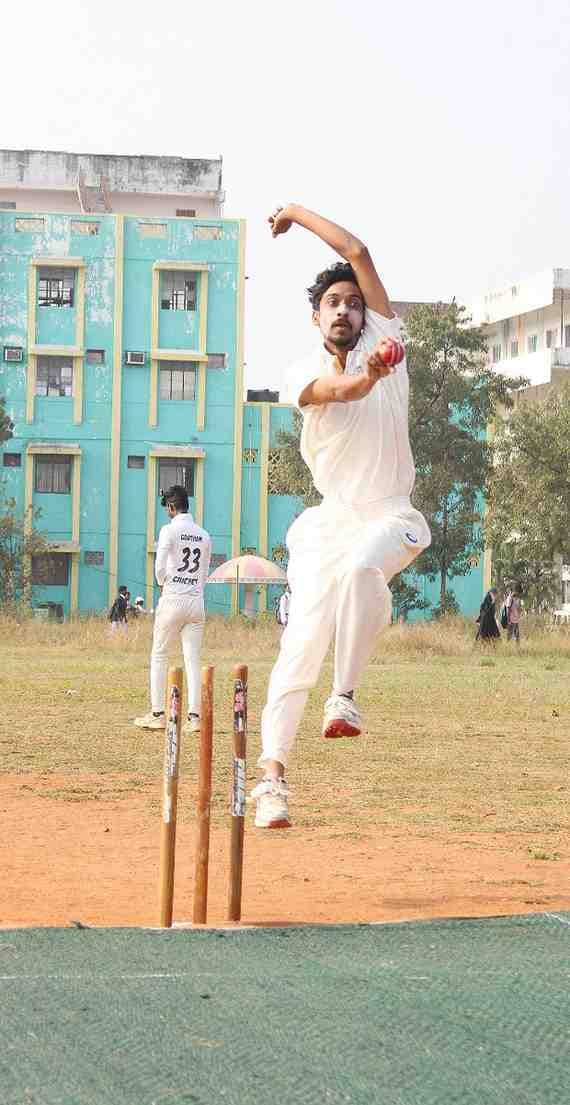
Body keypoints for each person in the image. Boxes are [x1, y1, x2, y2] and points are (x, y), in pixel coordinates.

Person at [250, 203, 431, 829]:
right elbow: (343, 391)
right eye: (334, 303)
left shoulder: (389, 335)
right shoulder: (302, 373)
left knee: (364, 571)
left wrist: (297, 213)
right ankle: (271, 779)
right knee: (299, 648)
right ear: (316, 316)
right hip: (329, 522)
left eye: (355, 302)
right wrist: (371, 375)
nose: (347, 309)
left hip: (391, 513)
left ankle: (345, 697)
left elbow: (358, 249)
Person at [134, 485, 211, 736]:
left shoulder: (169, 530)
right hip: (196, 601)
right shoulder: (203, 535)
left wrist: (165, 581)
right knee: (193, 660)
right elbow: (204, 572)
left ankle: (157, 713)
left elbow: (159, 567)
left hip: (173, 599)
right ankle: (195, 717)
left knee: (160, 654)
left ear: (170, 507)